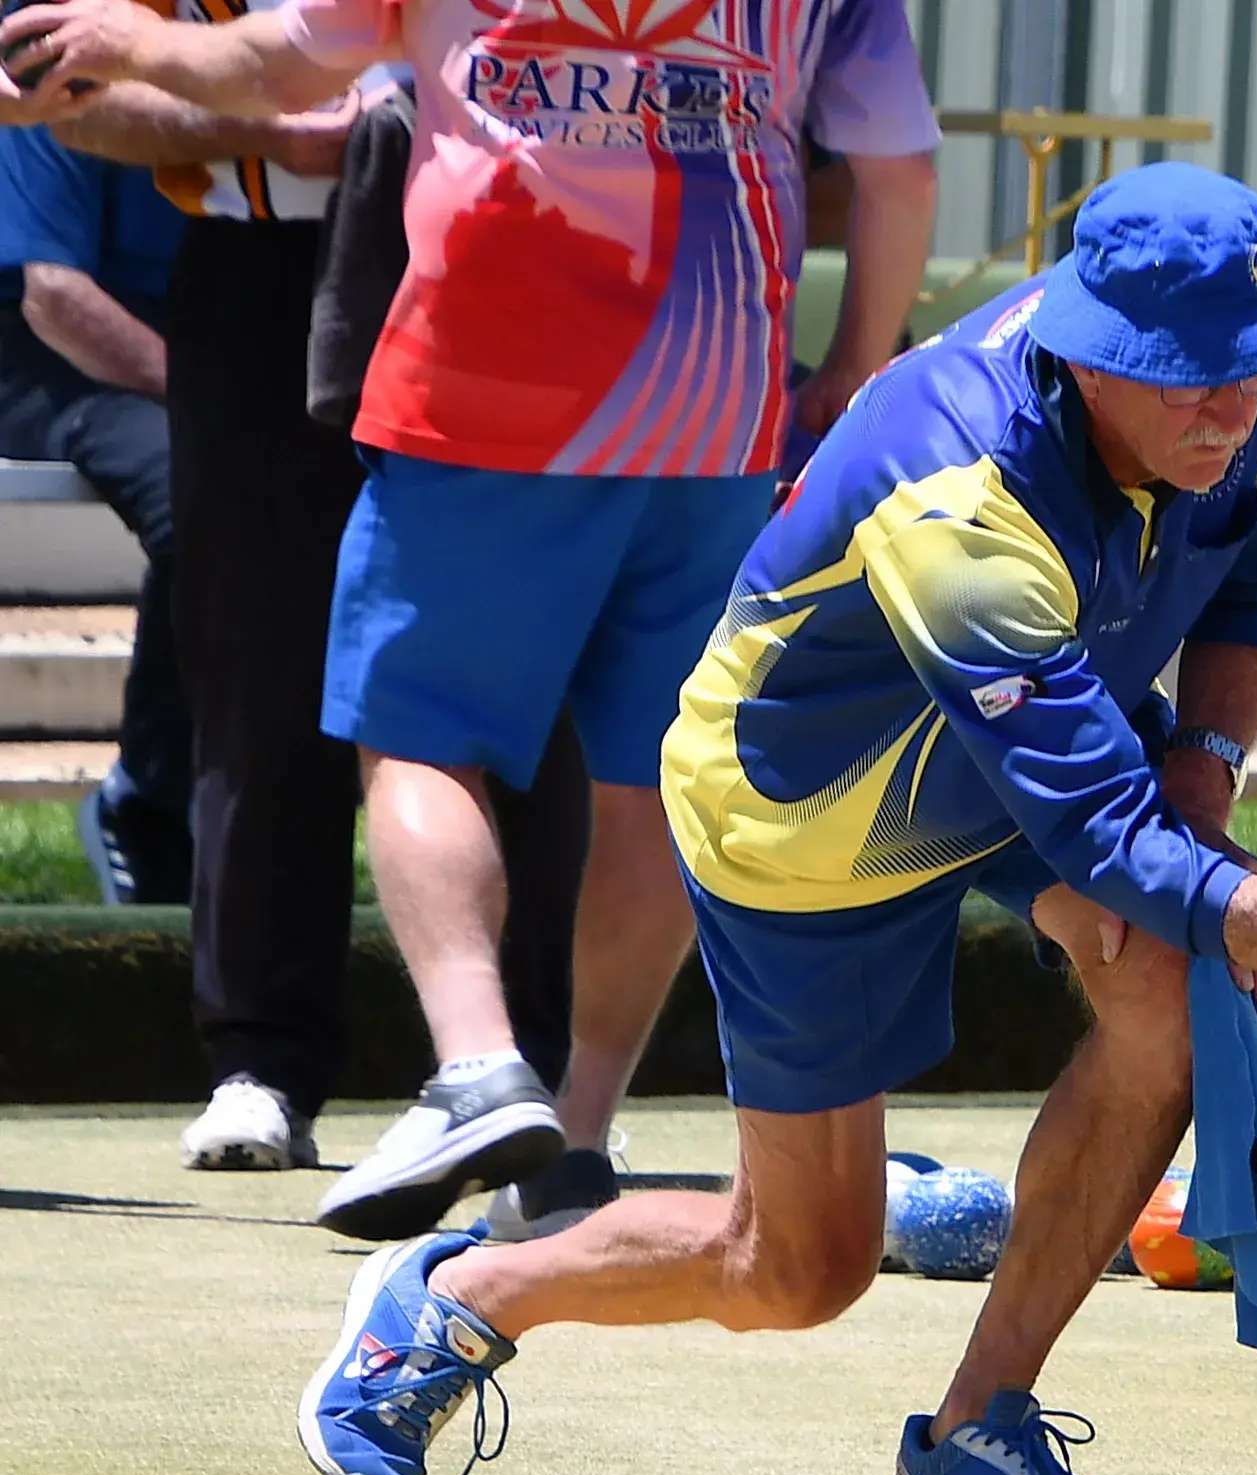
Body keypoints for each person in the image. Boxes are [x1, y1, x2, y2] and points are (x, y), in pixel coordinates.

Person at [282, 164, 1257, 1475]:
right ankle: (466, 1292)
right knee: (797, 1269)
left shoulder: (1248, 390)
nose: (1228, 408)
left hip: (1037, 721)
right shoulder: (957, 495)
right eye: (1185, 379)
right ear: (1082, 353)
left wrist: (1201, 767)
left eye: (1249, 373)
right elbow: (1112, 844)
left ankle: (973, 1440)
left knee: (1163, 987)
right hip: (811, 808)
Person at [3, 0, 942, 1232]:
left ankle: (479, 1062)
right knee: (649, 777)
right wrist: (856, 361)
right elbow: (899, 168)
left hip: (488, 392)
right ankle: (581, 1125)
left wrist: (121, 40)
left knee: (415, 734)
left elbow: (272, 61)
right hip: (716, 397)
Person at [0, 118, 191, 905]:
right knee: (203, 500)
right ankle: (147, 806)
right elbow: (55, 299)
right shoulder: (48, 45)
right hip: (53, 358)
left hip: (217, 348)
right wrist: (220, 403)